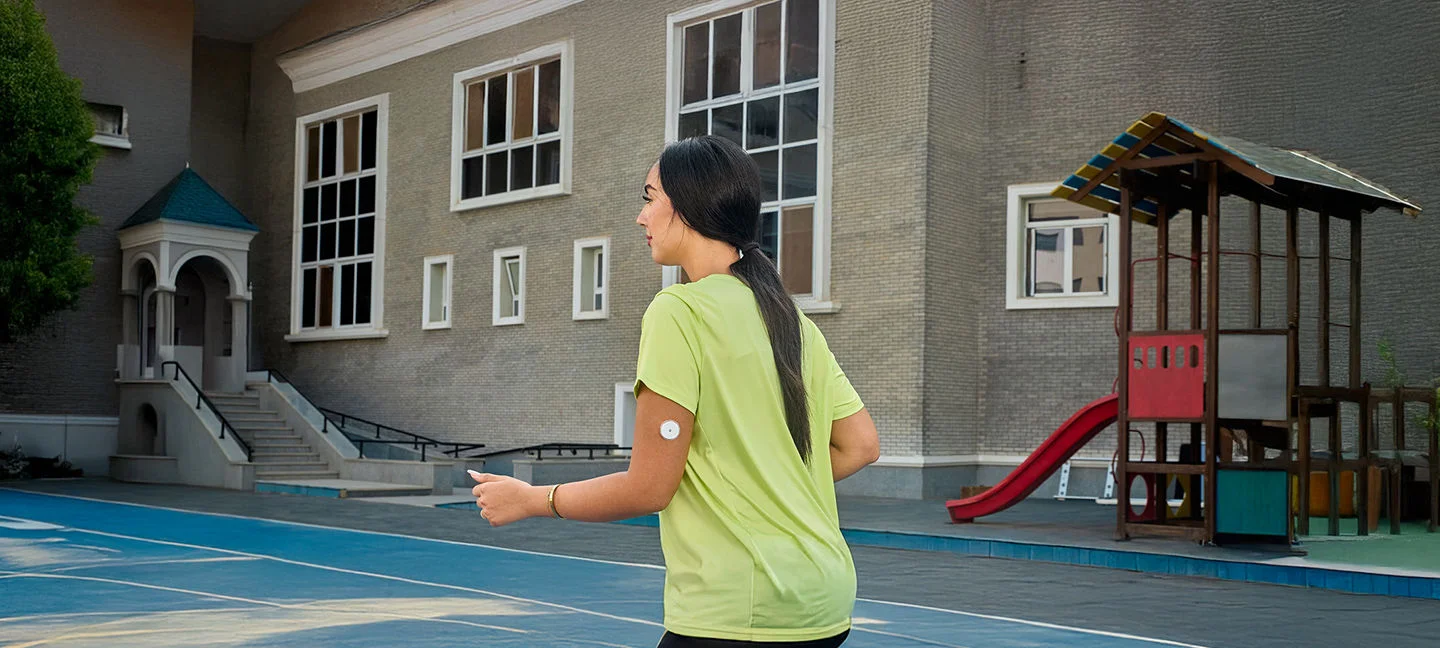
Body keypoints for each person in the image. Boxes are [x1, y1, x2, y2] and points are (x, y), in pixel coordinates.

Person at [470, 135, 880, 647]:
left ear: (686, 205)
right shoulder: (793, 318)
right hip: (825, 601)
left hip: (738, 607)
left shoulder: (678, 311)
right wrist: (762, 484)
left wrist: (533, 499)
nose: (641, 218)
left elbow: (649, 487)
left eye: (648, 198)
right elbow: (861, 445)